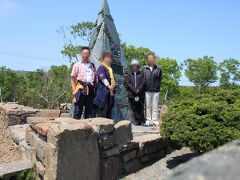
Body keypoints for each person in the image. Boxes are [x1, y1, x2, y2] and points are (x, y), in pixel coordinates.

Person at [71, 47, 96, 119]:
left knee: (89, 109)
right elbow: (72, 78)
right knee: (78, 109)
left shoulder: (92, 65)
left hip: (90, 88)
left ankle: (87, 128)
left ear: (90, 55)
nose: (86, 55)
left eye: (87, 53)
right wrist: (74, 90)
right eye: (84, 53)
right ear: (81, 54)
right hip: (80, 88)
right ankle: (75, 128)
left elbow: (94, 78)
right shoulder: (77, 65)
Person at [143, 53, 162, 126]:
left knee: (155, 106)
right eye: (149, 58)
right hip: (147, 90)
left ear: (154, 59)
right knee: (147, 106)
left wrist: (157, 87)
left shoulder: (159, 69)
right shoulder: (144, 68)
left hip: (156, 90)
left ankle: (154, 120)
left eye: (152, 58)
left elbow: (160, 79)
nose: (151, 59)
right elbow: (143, 79)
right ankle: (148, 120)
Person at [94, 52, 115, 118]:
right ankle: (103, 126)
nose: (109, 59)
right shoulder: (102, 67)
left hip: (110, 92)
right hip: (103, 92)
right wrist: (109, 86)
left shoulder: (110, 69)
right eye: (107, 57)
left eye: (110, 58)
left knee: (109, 109)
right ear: (103, 58)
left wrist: (112, 88)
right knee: (104, 110)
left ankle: (109, 126)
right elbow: (103, 78)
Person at [125, 59, 145, 125]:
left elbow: (143, 82)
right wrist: (134, 90)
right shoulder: (129, 74)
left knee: (140, 107)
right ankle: (137, 120)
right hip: (132, 94)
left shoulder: (141, 73)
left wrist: (138, 89)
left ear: (138, 66)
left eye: (136, 66)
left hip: (140, 93)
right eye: (133, 66)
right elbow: (128, 83)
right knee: (134, 108)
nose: (134, 67)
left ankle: (142, 120)